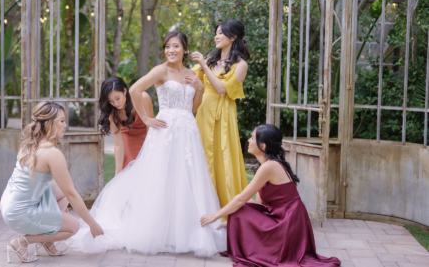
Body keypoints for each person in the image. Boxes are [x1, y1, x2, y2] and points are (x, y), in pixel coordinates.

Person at [66, 31, 226, 256]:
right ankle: (157, 232)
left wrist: (199, 88)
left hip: (188, 130)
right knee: (161, 179)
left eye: (176, 46)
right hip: (166, 128)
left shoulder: (191, 73)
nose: (171, 50)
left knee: (186, 179)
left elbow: (192, 108)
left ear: (185, 49)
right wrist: (147, 119)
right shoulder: (161, 70)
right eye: (168, 46)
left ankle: (184, 233)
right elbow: (134, 90)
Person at [200, 124, 342, 267]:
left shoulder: (270, 166)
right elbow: (259, 204)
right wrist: (234, 220)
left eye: (252, 137)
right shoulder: (266, 166)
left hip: (288, 224)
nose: (248, 140)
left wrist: (215, 216)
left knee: (241, 205)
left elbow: (241, 199)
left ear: (263, 145)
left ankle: (264, 251)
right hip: (283, 218)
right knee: (242, 208)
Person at [0, 101, 104, 263]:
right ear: (49, 124)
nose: (65, 125)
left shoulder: (29, 143)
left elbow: (67, 192)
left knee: (63, 192)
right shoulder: (52, 153)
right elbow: (72, 194)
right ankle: (22, 242)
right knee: (73, 226)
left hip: (9, 204)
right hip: (20, 214)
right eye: (61, 121)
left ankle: (48, 238)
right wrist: (93, 224)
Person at [190, 20, 249, 212]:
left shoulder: (240, 65)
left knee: (222, 158)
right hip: (204, 114)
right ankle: (201, 207)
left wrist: (204, 66)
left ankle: (224, 209)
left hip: (223, 116)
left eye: (221, 33)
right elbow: (188, 79)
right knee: (201, 157)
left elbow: (222, 88)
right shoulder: (209, 60)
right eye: (216, 33)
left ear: (233, 37)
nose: (216, 36)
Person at [99, 76, 153, 175]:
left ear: (124, 91)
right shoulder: (112, 112)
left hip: (149, 139)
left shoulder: (143, 98)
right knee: (128, 173)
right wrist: (117, 173)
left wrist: (149, 154)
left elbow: (151, 130)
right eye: (111, 101)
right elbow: (119, 144)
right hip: (127, 142)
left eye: (117, 98)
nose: (115, 103)